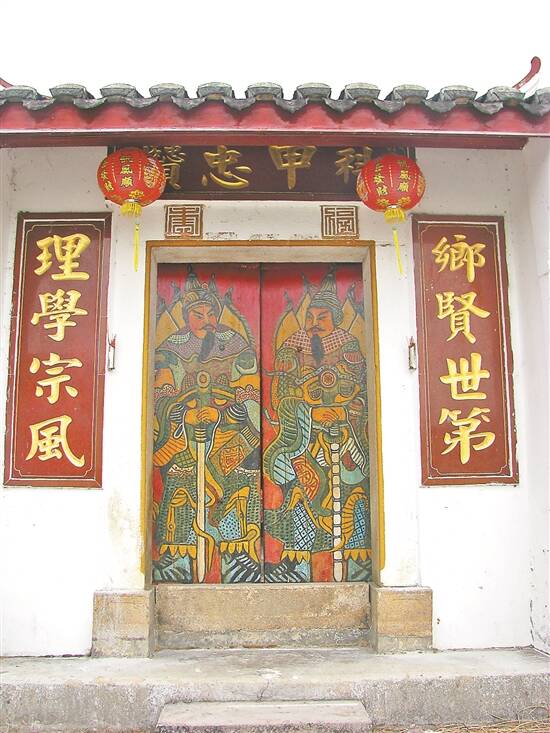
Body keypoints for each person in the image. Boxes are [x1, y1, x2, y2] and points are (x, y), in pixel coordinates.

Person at [152, 269, 261, 583]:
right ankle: (178, 557)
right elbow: (162, 397)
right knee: (180, 480)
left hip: (230, 434)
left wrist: (226, 415)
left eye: (211, 313)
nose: (206, 320)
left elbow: (250, 393)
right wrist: (183, 416)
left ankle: (237, 553)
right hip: (186, 436)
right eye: (198, 315)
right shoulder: (171, 350)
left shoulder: (236, 345)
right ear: (186, 316)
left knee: (242, 478)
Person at [264, 271, 372, 582]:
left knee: (351, 495)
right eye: (310, 317)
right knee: (300, 492)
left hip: (342, 435)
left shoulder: (349, 346)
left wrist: (345, 412)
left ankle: (355, 562)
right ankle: (296, 565)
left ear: (335, 319)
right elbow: (281, 395)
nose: (314, 323)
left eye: (322, 317)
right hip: (305, 435)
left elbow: (359, 391)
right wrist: (309, 412)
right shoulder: (292, 347)